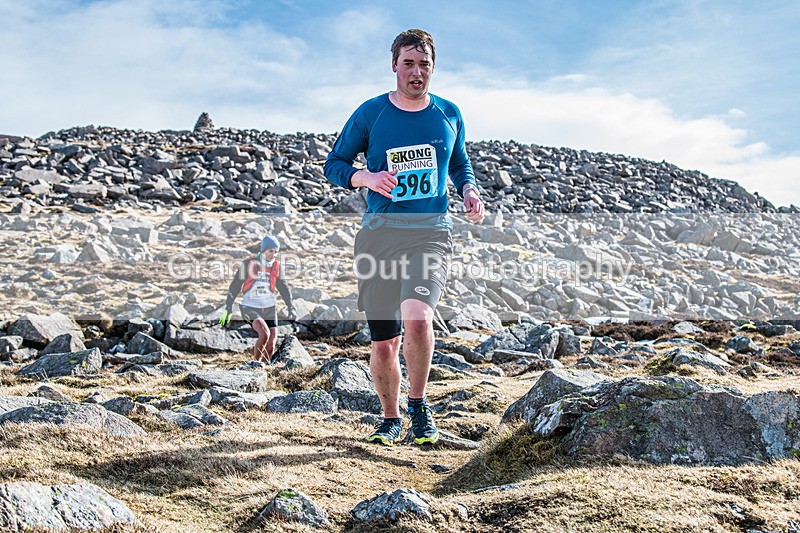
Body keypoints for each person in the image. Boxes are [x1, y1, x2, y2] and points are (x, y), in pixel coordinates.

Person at [324, 29, 485, 446]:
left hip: (430, 235)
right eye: (408, 63)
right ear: (394, 65)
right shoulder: (372, 113)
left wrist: (469, 189)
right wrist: (366, 177)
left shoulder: (449, 113)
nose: (417, 72)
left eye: (424, 64)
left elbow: (460, 162)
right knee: (384, 343)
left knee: (418, 316)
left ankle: (418, 405)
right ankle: (390, 418)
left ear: (434, 67)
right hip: (379, 238)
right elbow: (335, 163)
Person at [219, 235, 296, 362]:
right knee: (264, 334)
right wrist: (228, 308)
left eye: (276, 252)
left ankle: (265, 369)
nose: (273, 254)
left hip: (269, 308)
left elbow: (284, 288)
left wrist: (291, 307)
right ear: (263, 250)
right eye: (270, 251)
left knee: (272, 340)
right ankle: (255, 364)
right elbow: (235, 286)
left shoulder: (276, 266)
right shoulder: (248, 264)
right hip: (250, 307)